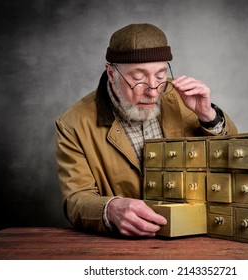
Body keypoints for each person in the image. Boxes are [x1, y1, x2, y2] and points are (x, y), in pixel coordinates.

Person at [55, 23, 238, 238]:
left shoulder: (184, 99)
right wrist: (110, 209)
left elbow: (234, 159)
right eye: (138, 78)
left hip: (196, 234)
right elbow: (76, 198)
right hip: (123, 246)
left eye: (160, 75)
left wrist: (208, 116)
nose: (152, 90)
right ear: (111, 73)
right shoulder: (73, 123)